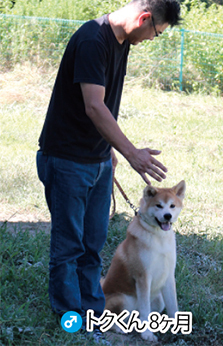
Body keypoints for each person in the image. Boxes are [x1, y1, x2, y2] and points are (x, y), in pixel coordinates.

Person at [36, 0, 181, 343]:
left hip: (98, 161)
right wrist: (131, 153)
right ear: (144, 18)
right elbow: (94, 105)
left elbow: (107, 106)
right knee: (69, 246)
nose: (150, 39)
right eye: (155, 32)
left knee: (93, 244)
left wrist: (110, 153)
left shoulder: (121, 43)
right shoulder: (92, 40)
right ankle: (71, 320)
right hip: (68, 160)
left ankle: (93, 311)